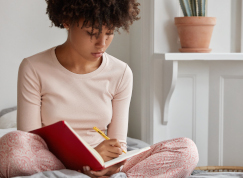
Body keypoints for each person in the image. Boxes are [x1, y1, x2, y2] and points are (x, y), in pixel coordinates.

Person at [0, 0, 199, 177]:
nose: (102, 43)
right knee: (13, 144)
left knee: (186, 150)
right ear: (67, 21)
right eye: (92, 33)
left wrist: (110, 164)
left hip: (103, 164)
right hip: (53, 162)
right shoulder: (33, 68)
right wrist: (90, 154)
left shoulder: (121, 73)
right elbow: (29, 141)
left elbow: (117, 145)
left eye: (110, 33)